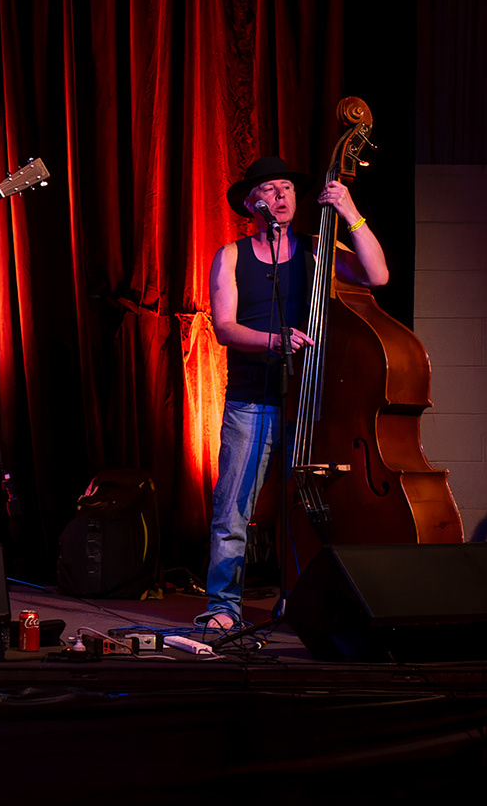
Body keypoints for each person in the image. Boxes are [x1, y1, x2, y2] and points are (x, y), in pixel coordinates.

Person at [199, 156, 389, 630]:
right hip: (252, 401)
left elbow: (377, 275)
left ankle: (305, 602)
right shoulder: (231, 256)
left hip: (312, 405)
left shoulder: (317, 248)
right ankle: (223, 608)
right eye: (270, 189)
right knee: (233, 511)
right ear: (251, 203)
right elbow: (224, 328)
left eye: (287, 187)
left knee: (309, 511)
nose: (282, 195)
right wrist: (274, 340)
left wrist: (350, 211)